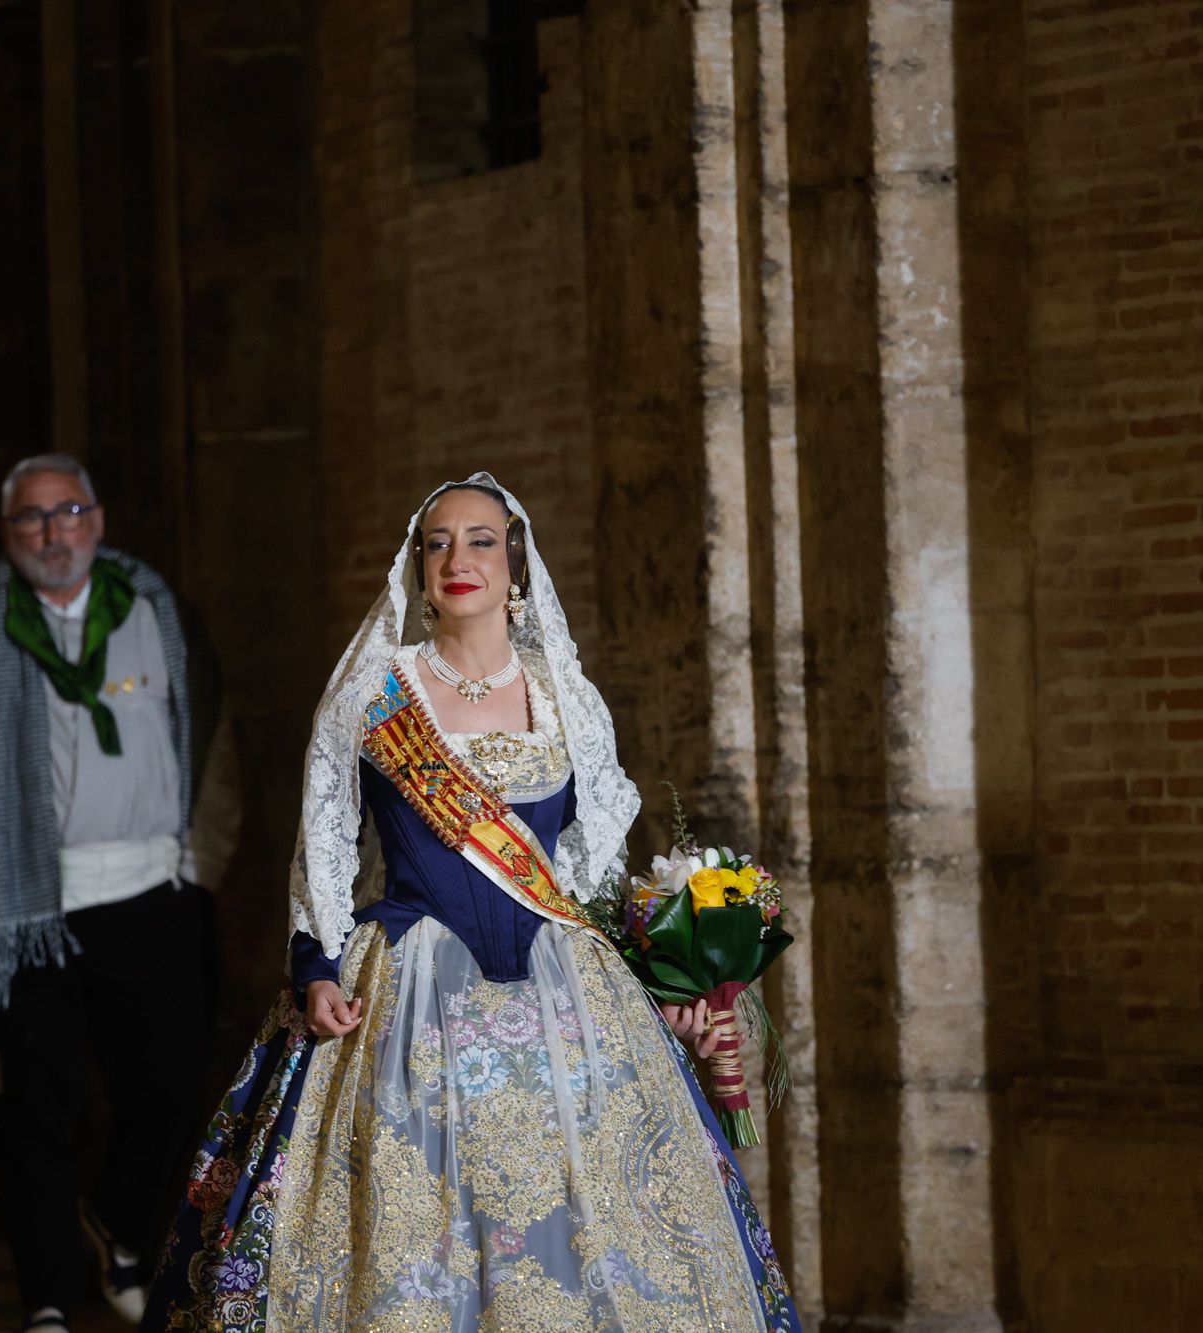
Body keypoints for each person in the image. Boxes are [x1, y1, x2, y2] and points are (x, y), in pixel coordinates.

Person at [139, 474, 800, 1332]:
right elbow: (327, 848)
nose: (458, 559)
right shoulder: (374, 693)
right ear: (417, 567)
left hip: (566, 993)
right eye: (438, 542)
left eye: (481, 540)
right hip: (410, 988)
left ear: (515, 565)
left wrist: (667, 988)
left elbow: (592, 874)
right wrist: (316, 968)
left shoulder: (568, 697)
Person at [0, 454, 239, 1333]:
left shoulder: (157, 612)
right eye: (32, 520)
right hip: (23, 903)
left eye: (68, 512)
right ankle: (46, 1293)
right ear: (8, 537)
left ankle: (118, 1220)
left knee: (166, 1086)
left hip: (149, 885)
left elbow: (211, 735)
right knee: (41, 1102)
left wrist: (206, 857)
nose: (53, 533)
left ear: (98, 518)